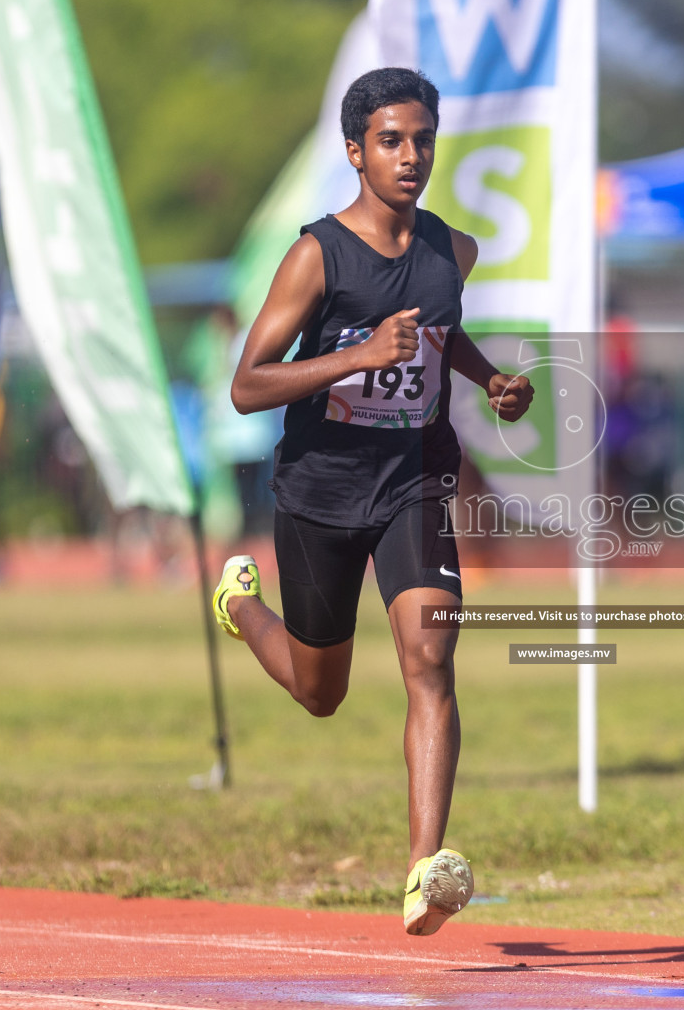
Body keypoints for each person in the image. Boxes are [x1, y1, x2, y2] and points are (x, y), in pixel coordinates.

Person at [213, 68, 534, 937]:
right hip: (320, 488)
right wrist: (351, 358)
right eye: (392, 140)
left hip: (413, 477)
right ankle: (239, 606)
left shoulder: (451, 251)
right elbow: (246, 387)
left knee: (430, 657)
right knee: (322, 692)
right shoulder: (317, 254)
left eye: (423, 139)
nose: (411, 156)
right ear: (355, 151)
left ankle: (426, 871)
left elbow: (438, 330)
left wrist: (491, 380)